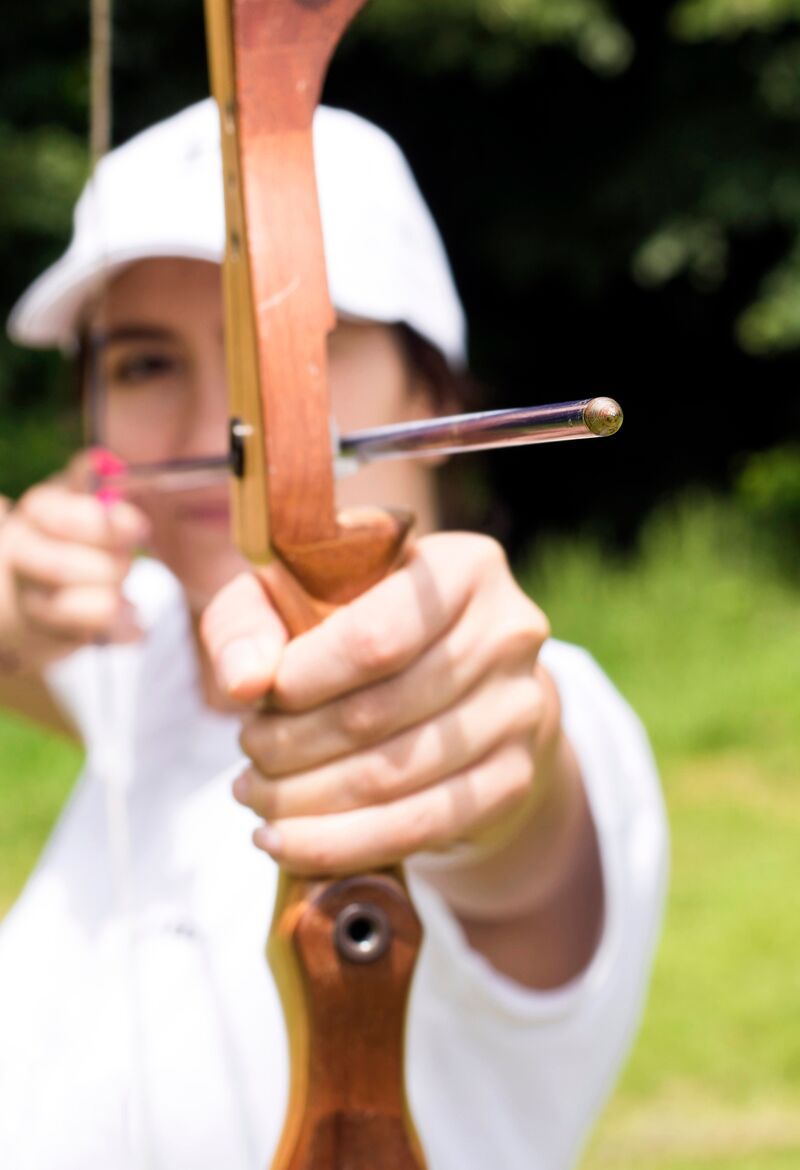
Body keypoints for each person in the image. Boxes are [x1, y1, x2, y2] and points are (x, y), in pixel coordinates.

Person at [0, 101, 668, 1170]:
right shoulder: (153, 657)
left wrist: (482, 745)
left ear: (432, 394)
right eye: (143, 364)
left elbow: (506, 799)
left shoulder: (529, 693)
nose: (224, 426)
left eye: (289, 344)